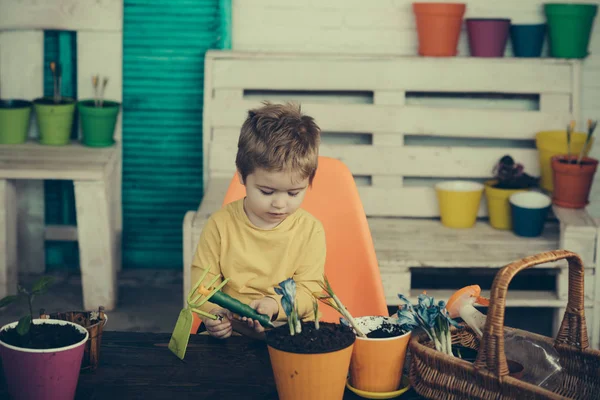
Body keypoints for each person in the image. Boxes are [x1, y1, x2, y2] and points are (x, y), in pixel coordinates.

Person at [190, 101, 326, 339]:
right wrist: (214, 315)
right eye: (266, 191)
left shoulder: (310, 230)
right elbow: (202, 287)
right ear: (242, 175)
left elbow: (309, 292)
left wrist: (274, 306)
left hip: (290, 329)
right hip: (234, 330)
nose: (280, 204)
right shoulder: (220, 225)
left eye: (294, 193)